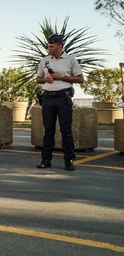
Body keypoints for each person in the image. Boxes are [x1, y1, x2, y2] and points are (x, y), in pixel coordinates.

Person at [35, 33, 84, 171]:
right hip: (48, 98)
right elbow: (38, 79)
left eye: (51, 46)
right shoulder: (44, 60)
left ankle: (68, 160)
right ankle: (46, 159)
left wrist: (61, 77)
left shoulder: (70, 60)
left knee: (66, 130)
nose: (49, 48)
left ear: (60, 46)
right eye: (48, 46)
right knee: (48, 130)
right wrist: (45, 79)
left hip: (63, 98)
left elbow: (80, 79)